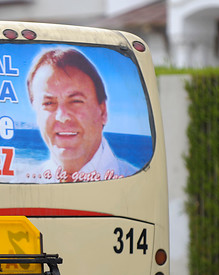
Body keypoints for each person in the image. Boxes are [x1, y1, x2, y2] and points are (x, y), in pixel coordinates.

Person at [25, 47, 137, 183]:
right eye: (49, 103)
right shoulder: (19, 189)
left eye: (75, 101)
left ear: (103, 112)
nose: (62, 116)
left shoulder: (138, 184)